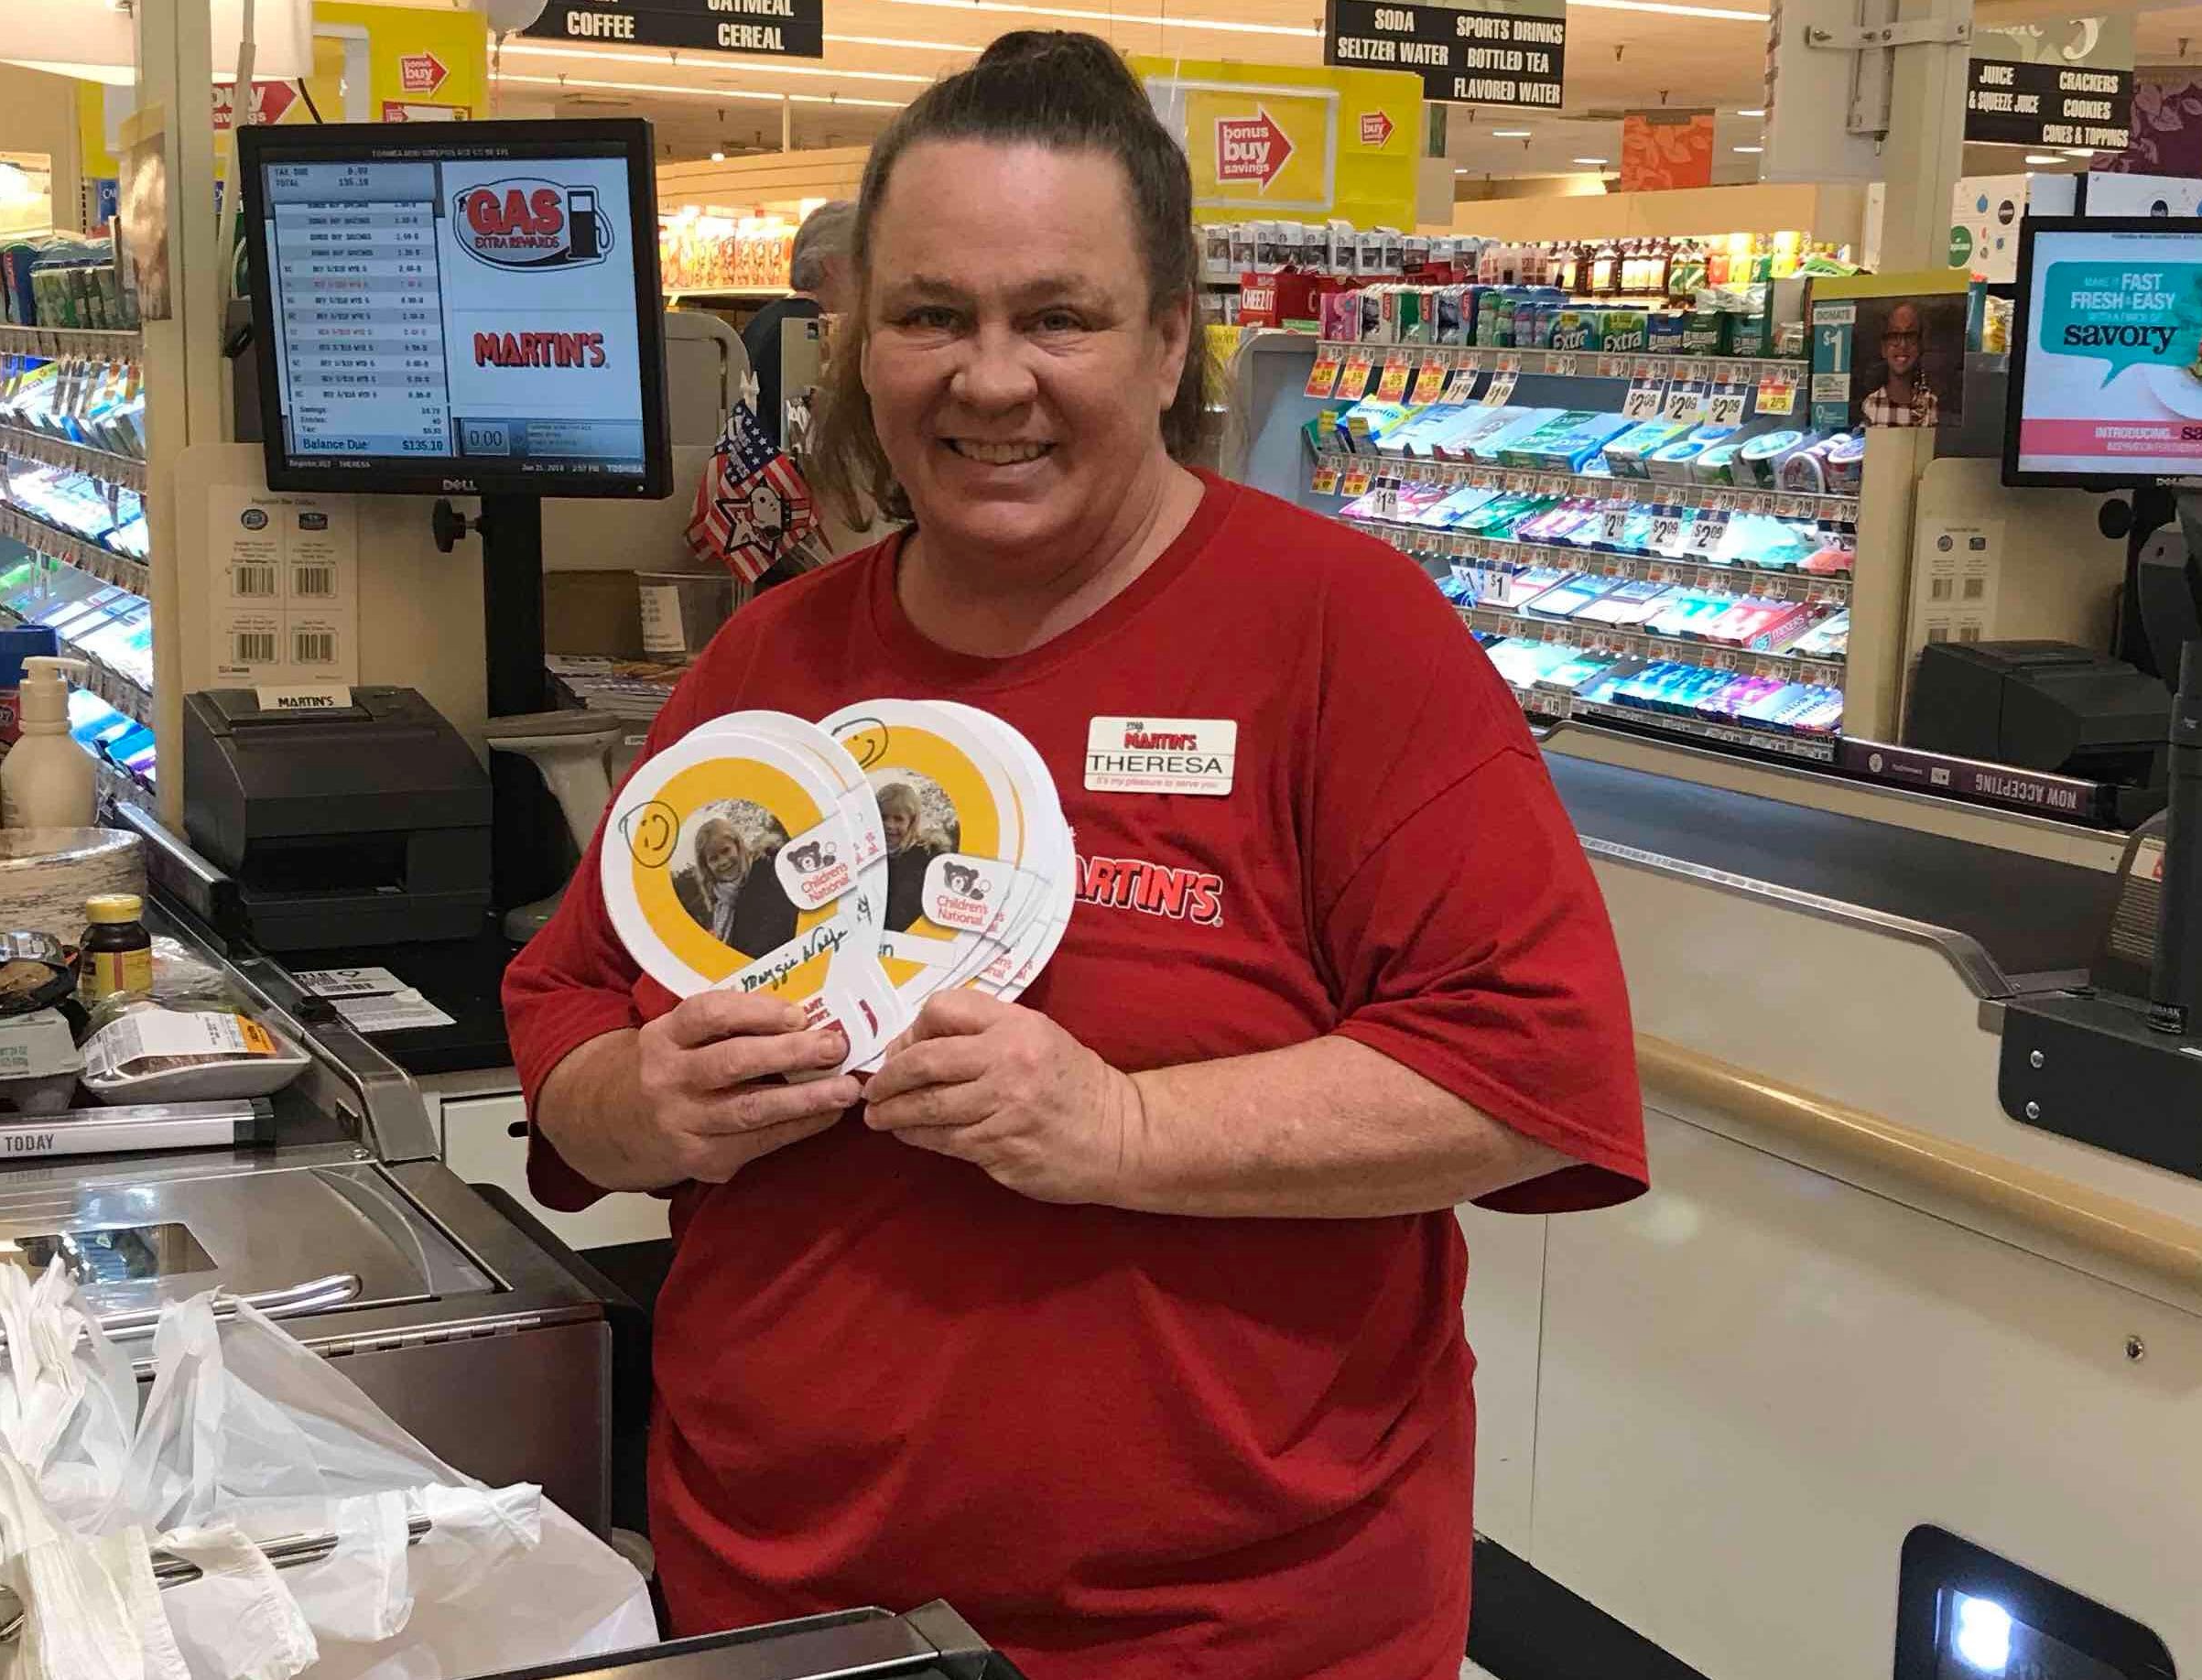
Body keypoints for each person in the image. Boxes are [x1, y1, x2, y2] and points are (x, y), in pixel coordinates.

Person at [502, 31, 1644, 1680]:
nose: (988, 378)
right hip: (781, 1601)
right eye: (928, 316)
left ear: (1170, 335)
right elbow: (571, 1023)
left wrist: (1122, 1124)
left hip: (1228, 1635)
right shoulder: (774, 661)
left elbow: (1527, 1067)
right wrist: (644, 1103)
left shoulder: (1340, 635)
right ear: (856, 342)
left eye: (1058, 315)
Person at [743, 200, 855, 448]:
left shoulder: (764, 319)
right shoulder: (814, 329)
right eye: (861, 261)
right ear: (832, 266)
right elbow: (806, 439)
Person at [674, 818, 796, 961]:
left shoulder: (770, 871)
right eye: (714, 858)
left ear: (737, 845)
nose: (723, 861)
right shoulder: (721, 906)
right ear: (706, 866)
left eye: (726, 851)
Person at [875, 781, 943, 932]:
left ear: (912, 821)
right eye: (884, 817)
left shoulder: (928, 859)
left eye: (898, 819)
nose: (889, 825)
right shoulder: (868, 855)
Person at [1862, 299, 1941, 427]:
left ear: (1920, 345)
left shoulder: (1930, 403)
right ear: (1883, 348)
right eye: (1894, 335)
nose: (1903, 344)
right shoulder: (1871, 404)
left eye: (1910, 336)